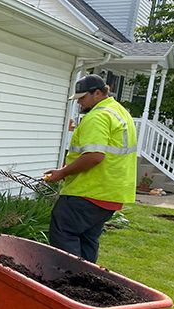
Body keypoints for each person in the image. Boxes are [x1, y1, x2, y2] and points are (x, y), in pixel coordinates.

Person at [44, 74, 137, 262]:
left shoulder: (98, 116)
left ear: (97, 93)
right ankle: (86, 285)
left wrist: (62, 172)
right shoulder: (120, 112)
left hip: (89, 192)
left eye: (82, 98)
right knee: (88, 240)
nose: (79, 103)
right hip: (110, 194)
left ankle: (67, 284)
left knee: (64, 233)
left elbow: (94, 156)